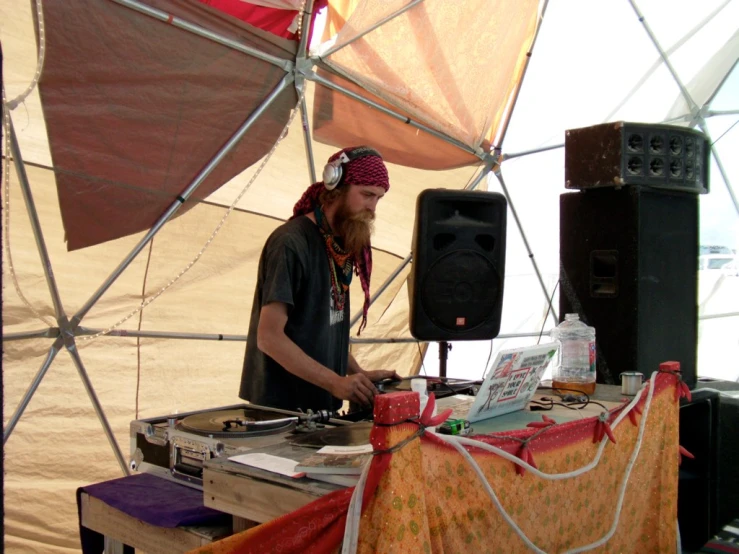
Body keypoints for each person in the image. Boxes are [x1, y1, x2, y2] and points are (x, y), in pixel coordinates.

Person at [239, 146, 400, 413]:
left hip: (320, 411)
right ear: (336, 187)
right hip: (281, 415)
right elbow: (269, 337)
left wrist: (357, 376)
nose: (372, 207)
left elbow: (322, 332)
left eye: (378, 198)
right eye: (367, 195)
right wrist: (335, 382)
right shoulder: (291, 242)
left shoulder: (339, 245)